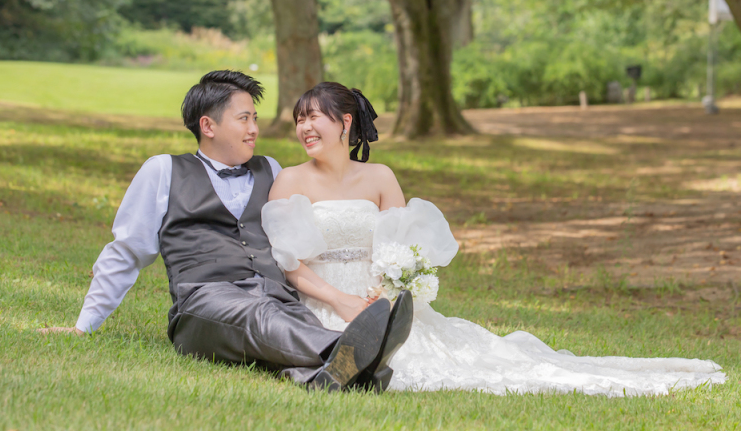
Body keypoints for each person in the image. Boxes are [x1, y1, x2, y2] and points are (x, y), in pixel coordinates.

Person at [261, 81, 727, 394]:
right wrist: (340, 300)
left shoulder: (380, 176)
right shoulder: (291, 181)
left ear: (345, 122)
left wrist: (384, 293)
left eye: (314, 118)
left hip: (377, 298)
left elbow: (400, 247)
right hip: (323, 300)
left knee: (473, 361)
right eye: (300, 119)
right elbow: (291, 264)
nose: (303, 128)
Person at [40, 71, 413, 392]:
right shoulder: (163, 171)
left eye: (255, 118)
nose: (255, 129)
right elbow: (127, 250)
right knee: (257, 318)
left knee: (283, 321)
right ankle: (352, 351)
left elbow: (305, 235)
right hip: (204, 301)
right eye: (244, 118)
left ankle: (336, 376)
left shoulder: (272, 170)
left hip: (275, 296)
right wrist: (83, 326)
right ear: (209, 125)